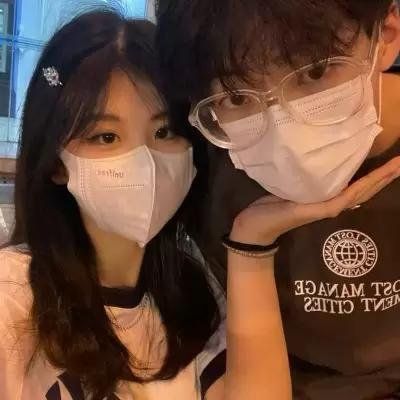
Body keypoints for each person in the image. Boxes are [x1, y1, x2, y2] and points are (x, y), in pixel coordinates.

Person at [0, 9, 294, 400]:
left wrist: (252, 243)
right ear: (56, 163)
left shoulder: (195, 292)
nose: (145, 162)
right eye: (106, 137)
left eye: (164, 131)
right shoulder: (10, 296)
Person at [156, 1, 400, 399]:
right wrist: (250, 241)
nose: (285, 132)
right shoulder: (211, 177)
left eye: (315, 71)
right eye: (236, 97)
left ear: (386, 36)